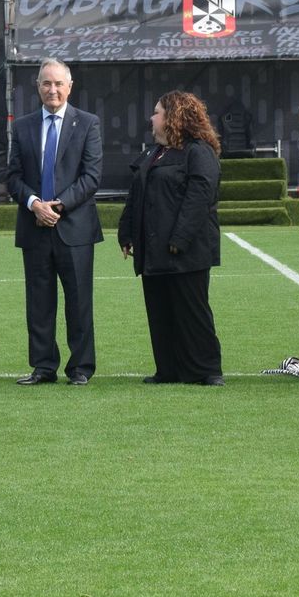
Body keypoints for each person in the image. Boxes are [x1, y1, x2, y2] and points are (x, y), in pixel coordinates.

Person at [5, 59, 104, 385]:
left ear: (70, 87)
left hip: (74, 229)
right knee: (39, 303)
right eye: (46, 83)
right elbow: (13, 177)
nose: (53, 89)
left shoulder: (88, 123)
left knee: (79, 302)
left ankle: (81, 368)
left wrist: (58, 206)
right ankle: (44, 367)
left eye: (59, 83)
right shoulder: (22, 126)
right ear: (37, 86)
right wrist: (35, 204)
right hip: (35, 228)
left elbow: (91, 177)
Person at [117, 90, 224, 385]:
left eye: (157, 112)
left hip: (186, 252)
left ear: (173, 117)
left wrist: (180, 238)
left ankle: (207, 370)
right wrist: (126, 233)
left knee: (192, 311)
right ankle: (168, 369)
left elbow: (199, 196)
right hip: (153, 250)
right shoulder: (152, 154)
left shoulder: (198, 151)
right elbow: (135, 196)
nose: (151, 118)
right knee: (160, 311)